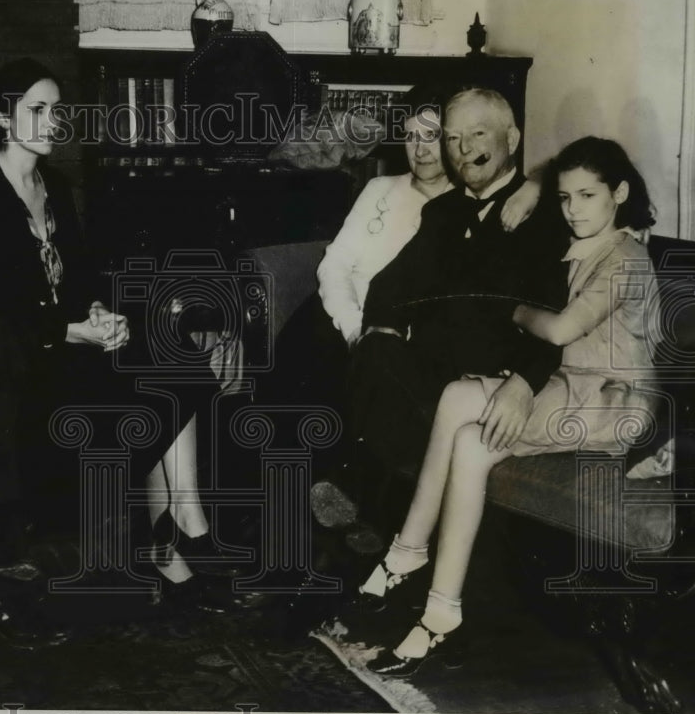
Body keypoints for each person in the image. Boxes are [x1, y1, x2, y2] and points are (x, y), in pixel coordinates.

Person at [362, 136, 662, 676]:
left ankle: (437, 607)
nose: (573, 210)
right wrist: (535, 186)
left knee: (474, 444)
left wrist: (515, 310)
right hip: (573, 386)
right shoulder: (583, 243)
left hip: (615, 405)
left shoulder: (627, 257)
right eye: (566, 197)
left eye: (588, 196)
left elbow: (561, 326)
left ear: (619, 193)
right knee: (457, 397)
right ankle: (415, 562)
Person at [0, 57, 233, 601]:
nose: (53, 121)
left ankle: (184, 523)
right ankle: (176, 541)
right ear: (3, 119)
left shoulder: (57, 184)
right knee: (153, 382)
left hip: (73, 344)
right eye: (37, 110)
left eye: (56, 110)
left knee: (176, 358)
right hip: (23, 366)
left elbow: (80, 278)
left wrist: (100, 311)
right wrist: (74, 330)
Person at [269, 86, 539, 544]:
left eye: (437, 135)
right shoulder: (415, 201)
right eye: (414, 135)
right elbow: (364, 274)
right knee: (332, 349)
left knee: (365, 366)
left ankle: (345, 496)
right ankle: (313, 499)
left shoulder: (503, 205)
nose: (427, 147)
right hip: (388, 333)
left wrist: (538, 184)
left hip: (447, 351)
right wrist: (368, 327)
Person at [349, 88, 570, 508]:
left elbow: (559, 312)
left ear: (513, 139)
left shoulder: (546, 215)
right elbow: (389, 285)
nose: (465, 149)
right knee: (374, 350)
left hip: (490, 382)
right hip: (433, 373)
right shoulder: (442, 212)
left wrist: (523, 382)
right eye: (452, 138)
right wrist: (387, 330)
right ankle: (383, 504)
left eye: (478, 133)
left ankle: (379, 506)